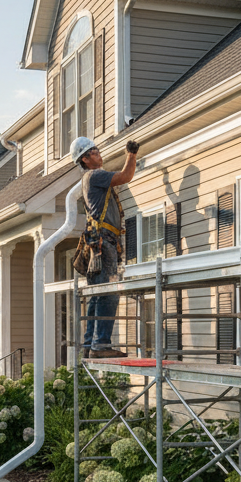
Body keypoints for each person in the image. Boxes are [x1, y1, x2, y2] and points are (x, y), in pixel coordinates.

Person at [70, 136, 139, 359]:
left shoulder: (90, 178)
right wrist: (132, 154)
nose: (99, 154)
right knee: (108, 294)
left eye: (98, 150)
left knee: (98, 295)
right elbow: (126, 176)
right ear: (85, 159)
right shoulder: (95, 175)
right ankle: (101, 345)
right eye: (94, 151)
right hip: (103, 243)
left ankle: (91, 344)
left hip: (97, 244)